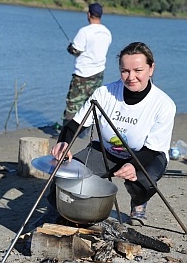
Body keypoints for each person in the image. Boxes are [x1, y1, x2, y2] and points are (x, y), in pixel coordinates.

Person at [33, 42, 176, 228]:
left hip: (146, 155)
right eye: (125, 71)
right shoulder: (104, 93)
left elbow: (153, 149)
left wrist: (132, 165)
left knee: (142, 182)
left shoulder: (163, 104)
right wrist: (64, 143)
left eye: (138, 70)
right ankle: (54, 211)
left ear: (151, 68)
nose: (131, 77)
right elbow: (75, 123)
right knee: (65, 173)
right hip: (106, 151)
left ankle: (139, 202)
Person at [62, 2, 112, 130]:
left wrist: (70, 48)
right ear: (100, 15)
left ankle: (66, 133)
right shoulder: (107, 32)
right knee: (91, 103)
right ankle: (85, 130)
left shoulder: (84, 31)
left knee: (72, 103)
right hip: (99, 73)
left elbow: (76, 50)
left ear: (89, 14)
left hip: (82, 74)